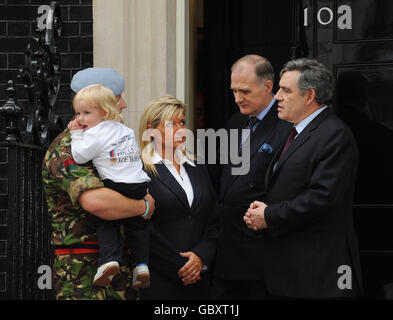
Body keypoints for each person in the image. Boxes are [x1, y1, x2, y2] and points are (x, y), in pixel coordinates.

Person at [243, 58, 363, 299]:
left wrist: (269, 215)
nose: (277, 96)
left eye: (285, 90)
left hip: (320, 275)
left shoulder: (334, 135)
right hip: (290, 272)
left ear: (309, 96)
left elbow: (322, 197)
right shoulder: (296, 131)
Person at [42, 68, 155, 300]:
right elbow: (97, 203)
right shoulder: (66, 149)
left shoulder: (114, 137)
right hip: (83, 273)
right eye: (117, 98)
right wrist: (142, 207)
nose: (123, 104)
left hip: (118, 271)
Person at [212, 54, 291, 299]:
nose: (237, 98)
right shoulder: (235, 122)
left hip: (262, 253)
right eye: (234, 91)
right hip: (226, 251)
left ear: (268, 87)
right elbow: (222, 178)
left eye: (244, 91)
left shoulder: (287, 126)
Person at [68, 84, 151, 289]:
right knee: (137, 226)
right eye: (78, 113)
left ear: (105, 111)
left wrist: (77, 135)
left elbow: (79, 156)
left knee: (107, 222)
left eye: (86, 113)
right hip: (139, 183)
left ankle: (109, 260)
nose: (80, 119)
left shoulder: (95, 134)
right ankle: (141, 265)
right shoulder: (125, 130)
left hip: (117, 184)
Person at [137, 95, 220, 300]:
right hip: (159, 281)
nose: (180, 129)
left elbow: (214, 220)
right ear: (151, 130)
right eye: (171, 124)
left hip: (199, 280)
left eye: (182, 122)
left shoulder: (198, 168)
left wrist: (201, 256)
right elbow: (141, 228)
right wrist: (180, 266)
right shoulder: (139, 171)